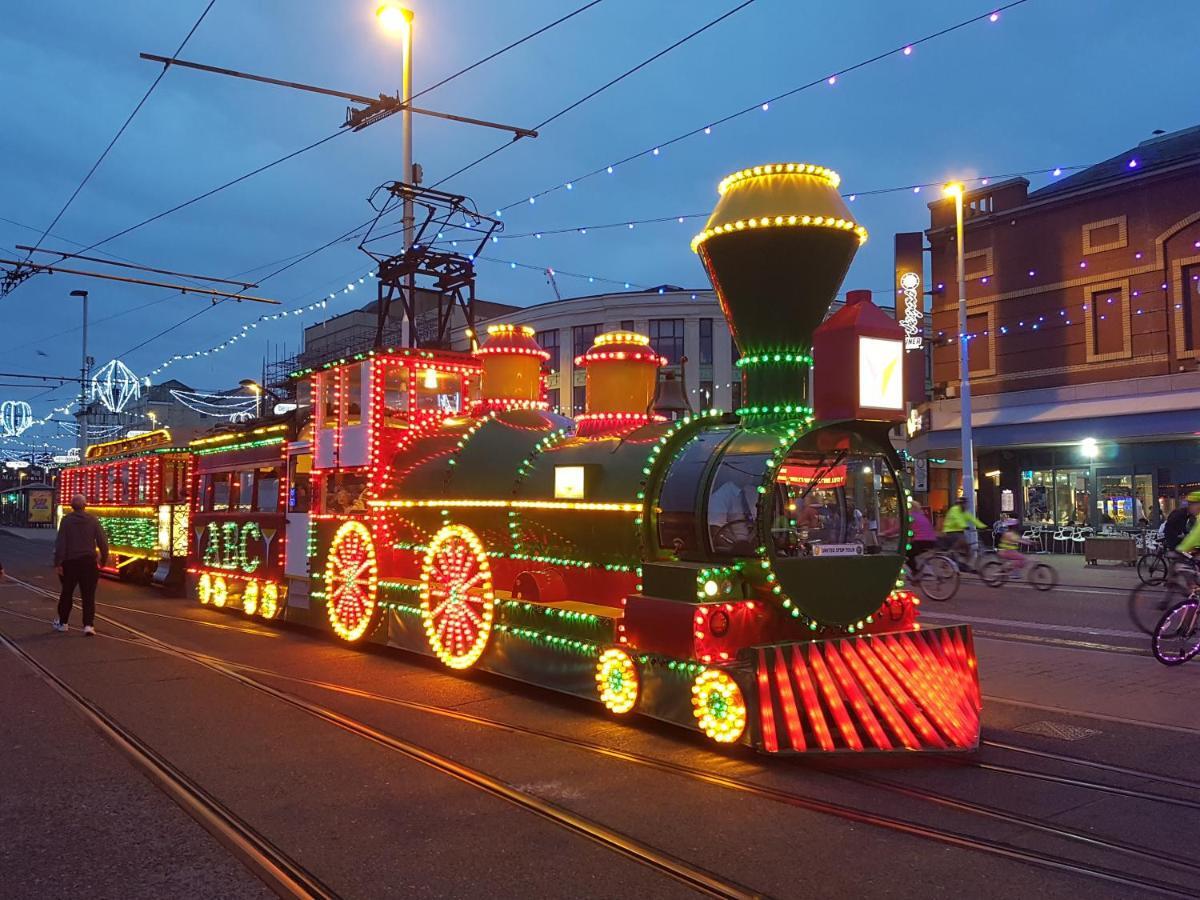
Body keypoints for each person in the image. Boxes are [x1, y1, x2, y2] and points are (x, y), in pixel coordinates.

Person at [52, 494, 108, 635]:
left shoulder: (66, 521)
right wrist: (103, 559)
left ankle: (63, 622)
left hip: (70, 563)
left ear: (71, 507)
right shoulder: (93, 520)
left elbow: (61, 543)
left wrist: (58, 562)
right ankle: (88, 625)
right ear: (85, 505)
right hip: (89, 563)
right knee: (88, 596)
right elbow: (102, 541)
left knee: (67, 593)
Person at [906, 502, 938, 572]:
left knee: (905, 554)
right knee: (914, 553)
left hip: (921, 541)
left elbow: (901, 527)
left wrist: (886, 533)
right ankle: (920, 571)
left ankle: (915, 573)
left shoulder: (910, 516)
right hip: (932, 541)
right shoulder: (922, 516)